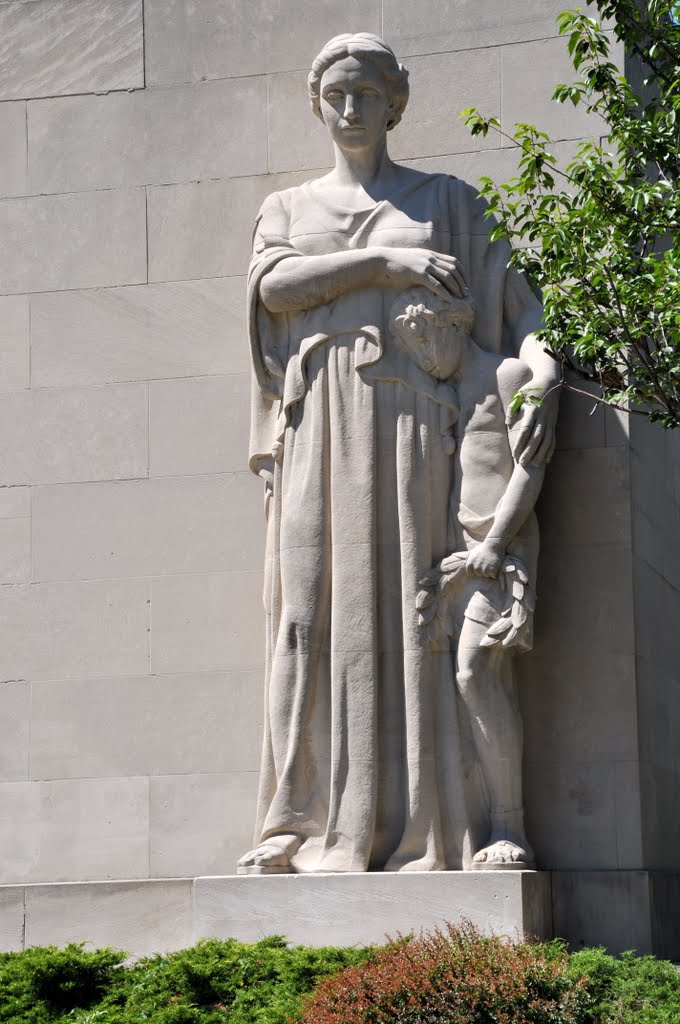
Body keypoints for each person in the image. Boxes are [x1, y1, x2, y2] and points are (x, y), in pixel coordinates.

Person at [239, 32, 559, 875]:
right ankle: (300, 824)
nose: (350, 109)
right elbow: (273, 288)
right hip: (319, 424)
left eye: (366, 95)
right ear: (318, 103)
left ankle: (430, 830)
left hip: (423, 429)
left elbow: (519, 310)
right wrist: (382, 259)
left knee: (417, 619)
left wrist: (545, 373)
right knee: (309, 614)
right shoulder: (288, 209)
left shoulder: (447, 200)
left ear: (395, 104)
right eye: (336, 95)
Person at [390, 287, 547, 868]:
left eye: (428, 339)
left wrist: (496, 543)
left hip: (501, 552)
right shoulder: (444, 388)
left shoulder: (508, 375)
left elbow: (529, 468)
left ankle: (512, 829)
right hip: (461, 556)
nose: (425, 356)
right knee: (471, 678)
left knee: (477, 670)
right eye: (414, 347)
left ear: (456, 324)